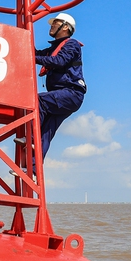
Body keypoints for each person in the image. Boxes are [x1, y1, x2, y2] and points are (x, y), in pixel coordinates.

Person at [34, 12, 86, 161]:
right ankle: (33, 169)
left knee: (39, 101)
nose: (52, 25)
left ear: (65, 27)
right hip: (62, 95)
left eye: (55, 22)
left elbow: (59, 61)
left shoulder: (72, 44)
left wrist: (33, 58)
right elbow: (37, 54)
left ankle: (30, 138)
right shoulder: (54, 48)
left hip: (71, 93)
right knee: (46, 131)